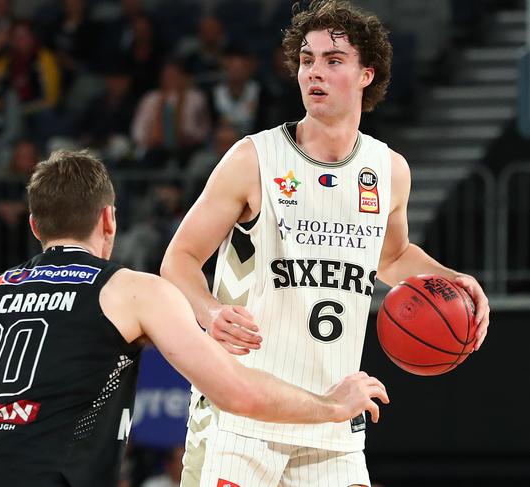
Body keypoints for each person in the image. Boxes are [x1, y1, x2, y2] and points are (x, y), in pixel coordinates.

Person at [0, 150, 389, 487]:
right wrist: (330, 404)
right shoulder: (131, 291)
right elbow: (238, 392)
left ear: (36, 226)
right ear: (109, 220)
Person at [160, 1, 491, 486]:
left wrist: (453, 280)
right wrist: (210, 312)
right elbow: (179, 260)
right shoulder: (254, 158)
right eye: (307, 60)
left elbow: (393, 257)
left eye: (333, 60)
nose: (314, 72)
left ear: (365, 75)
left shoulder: (389, 170)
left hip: (335, 412)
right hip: (242, 411)